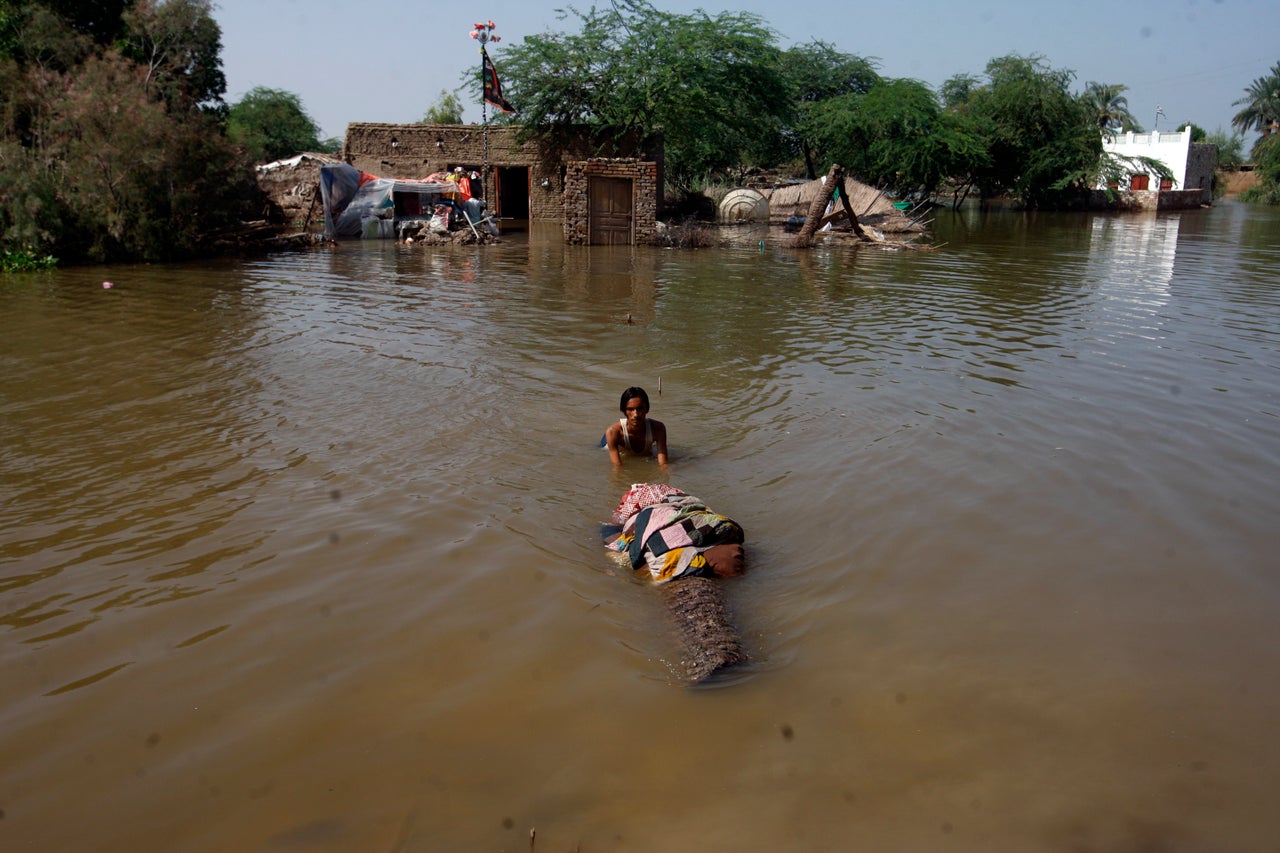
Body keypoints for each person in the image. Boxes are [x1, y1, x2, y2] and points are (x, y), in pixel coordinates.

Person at [602, 386, 668, 466]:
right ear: (623, 411)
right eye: (630, 409)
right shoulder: (613, 432)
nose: (636, 414)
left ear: (647, 409)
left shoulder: (658, 429)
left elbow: (663, 464)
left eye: (640, 409)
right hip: (611, 439)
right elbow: (617, 467)